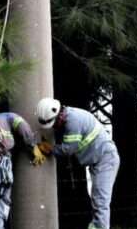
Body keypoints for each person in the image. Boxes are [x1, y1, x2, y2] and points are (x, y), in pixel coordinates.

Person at [36, 98, 120, 229]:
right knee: (97, 202)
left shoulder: (73, 121)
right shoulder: (67, 117)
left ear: (60, 115)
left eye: (53, 123)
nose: (54, 127)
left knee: (100, 202)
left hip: (105, 160)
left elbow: (68, 149)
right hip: (100, 160)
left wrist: (49, 149)